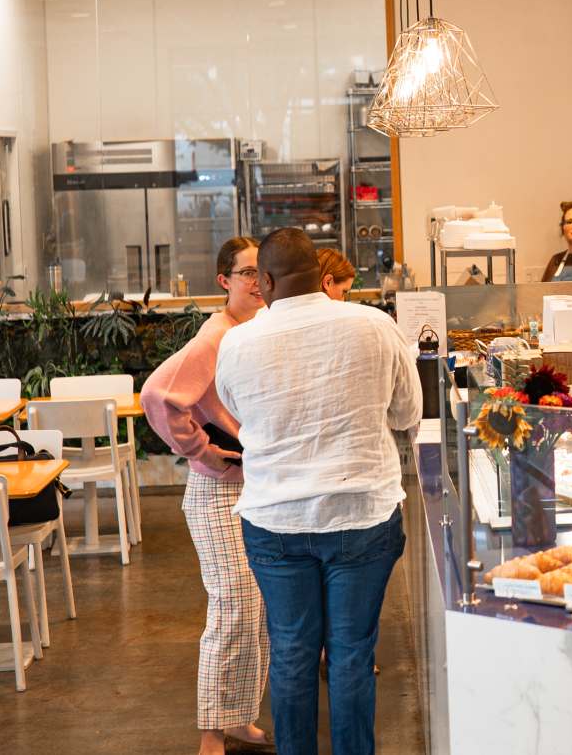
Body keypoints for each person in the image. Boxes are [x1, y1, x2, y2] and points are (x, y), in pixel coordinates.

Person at [215, 228, 419, 755]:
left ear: (266, 281)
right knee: (351, 655)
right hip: (362, 515)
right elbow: (407, 413)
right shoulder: (375, 325)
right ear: (319, 274)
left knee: (290, 652)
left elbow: (238, 411)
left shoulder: (238, 342)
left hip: (275, 521)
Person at [140, 236, 272, 755]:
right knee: (233, 603)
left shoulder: (255, 329)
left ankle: (239, 716)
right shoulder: (216, 335)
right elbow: (158, 395)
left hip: (256, 486)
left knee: (256, 605)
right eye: (247, 272)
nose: (257, 281)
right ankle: (211, 732)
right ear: (224, 281)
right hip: (217, 490)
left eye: (263, 271)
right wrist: (199, 449)